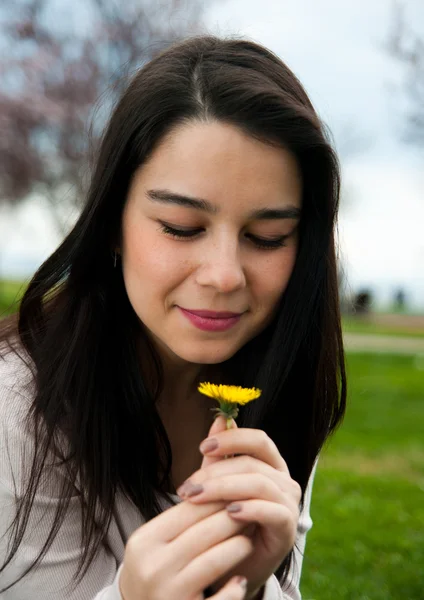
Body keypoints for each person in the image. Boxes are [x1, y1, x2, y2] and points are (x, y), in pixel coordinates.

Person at [0, 35, 346, 599]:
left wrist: (255, 586)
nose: (224, 274)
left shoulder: (281, 389)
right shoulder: (14, 416)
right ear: (112, 223)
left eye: (267, 237)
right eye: (182, 227)